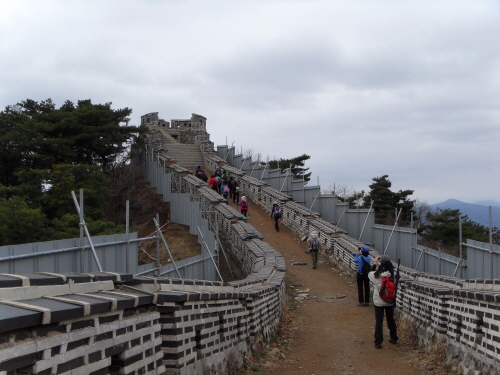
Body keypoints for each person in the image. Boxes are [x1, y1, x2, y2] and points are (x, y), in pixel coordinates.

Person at [368, 255, 399, 349]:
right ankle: (393, 337)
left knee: (379, 321)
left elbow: (369, 274)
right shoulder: (393, 274)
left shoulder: (376, 275)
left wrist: (374, 264)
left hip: (379, 300)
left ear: (381, 264)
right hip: (390, 300)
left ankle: (378, 342)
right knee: (390, 319)